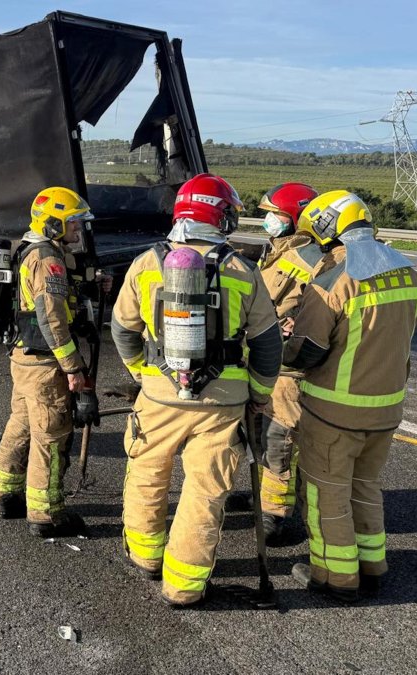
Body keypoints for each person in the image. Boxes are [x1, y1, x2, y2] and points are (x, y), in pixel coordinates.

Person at [110, 173, 282, 607]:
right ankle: (184, 586)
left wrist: (141, 374)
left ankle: (147, 557)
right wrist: (260, 394)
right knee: (205, 492)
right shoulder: (243, 269)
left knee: (148, 473)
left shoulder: (146, 263)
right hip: (223, 404)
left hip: (158, 396)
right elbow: (266, 344)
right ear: (218, 215)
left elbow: (123, 330)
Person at [284, 190, 417, 603]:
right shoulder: (411, 274)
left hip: (335, 411)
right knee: (364, 486)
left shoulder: (334, 280)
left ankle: (335, 577)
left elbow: (308, 351)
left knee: (325, 492)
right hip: (387, 408)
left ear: (328, 228)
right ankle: (372, 565)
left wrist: (283, 347)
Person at [0, 186, 101, 538]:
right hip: (45, 364)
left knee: (21, 423)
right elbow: (52, 318)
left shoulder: (33, 250)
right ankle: (47, 513)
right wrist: (72, 368)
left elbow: (54, 300)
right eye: (73, 224)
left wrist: (90, 287)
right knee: (51, 435)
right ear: (54, 224)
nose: (79, 230)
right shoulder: (48, 258)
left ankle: (5, 494)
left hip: (25, 357)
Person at [227, 183, 326, 545]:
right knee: (258, 434)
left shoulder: (303, 258)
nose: (268, 220)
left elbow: (267, 301)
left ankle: (274, 514)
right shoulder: (281, 251)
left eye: (276, 214)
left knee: (278, 439)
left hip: (287, 370)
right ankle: (259, 495)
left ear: (296, 219)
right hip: (266, 361)